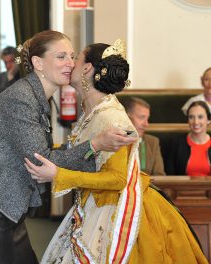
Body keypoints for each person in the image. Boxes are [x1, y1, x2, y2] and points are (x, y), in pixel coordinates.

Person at [0, 31, 136, 264]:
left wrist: (92, 151)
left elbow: (41, 153)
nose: (70, 63)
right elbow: (41, 160)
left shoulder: (36, 97)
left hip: (3, 207)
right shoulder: (21, 99)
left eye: (71, 56)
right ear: (37, 63)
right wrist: (95, 144)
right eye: (61, 57)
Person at [25, 40, 207, 263]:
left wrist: (59, 175)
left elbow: (118, 179)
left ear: (87, 68)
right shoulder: (93, 111)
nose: (71, 63)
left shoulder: (111, 117)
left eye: (77, 58)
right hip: (95, 204)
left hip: (118, 208)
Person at [165, 100, 211, 176]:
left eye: (200, 117)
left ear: (208, 120)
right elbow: (169, 176)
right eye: (191, 117)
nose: (196, 122)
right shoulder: (175, 144)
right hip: (181, 187)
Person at [122, 97, 165, 175]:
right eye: (142, 117)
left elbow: (159, 176)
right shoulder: (111, 140)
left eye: (147, 118)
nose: (146, 124)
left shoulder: (152, 142)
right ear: (126, 117)